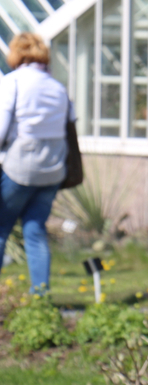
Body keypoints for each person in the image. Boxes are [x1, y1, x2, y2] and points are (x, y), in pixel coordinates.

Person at [0, 32, 74, 293]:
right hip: (52, 170)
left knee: (1, 228)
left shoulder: (13, 83)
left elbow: (1, 128)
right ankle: (41, 298)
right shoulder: (57, 87)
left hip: (20, 168)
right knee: (35, 231)